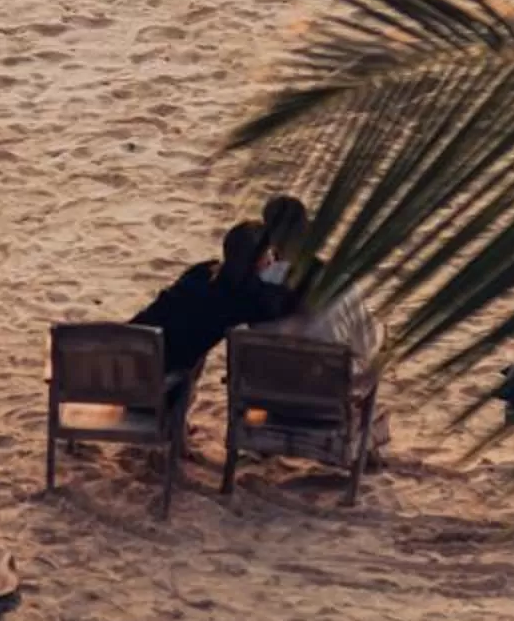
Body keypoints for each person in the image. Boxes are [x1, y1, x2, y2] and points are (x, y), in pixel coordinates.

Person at [255, 194, 387, 453]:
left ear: (268, 238)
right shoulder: (339, 283)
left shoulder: (258, 287)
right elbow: (366, 346)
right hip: (326, 409)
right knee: (378, 347)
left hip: (269, 402)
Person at [131, 219, 280, 391]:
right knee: (187, 364)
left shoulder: (202, 271)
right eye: (269, 254)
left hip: (127, 342)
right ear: (259, 260)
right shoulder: (244, 298)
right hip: (153, 370)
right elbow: (275, 306)